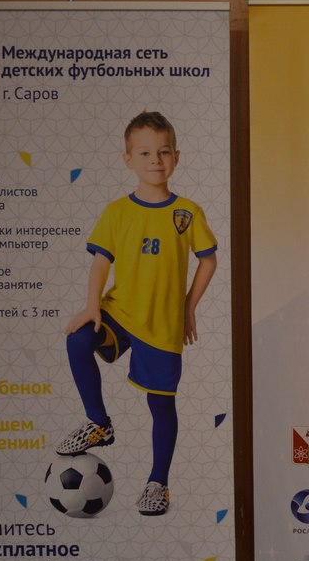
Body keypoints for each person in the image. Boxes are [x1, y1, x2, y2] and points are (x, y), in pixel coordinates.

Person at [57, 111, 218, 516]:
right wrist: (92, 304)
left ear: (176, 157)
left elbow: (209, 260)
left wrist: (188, 308)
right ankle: (99, 423)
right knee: (78, 339)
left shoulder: (188, 213)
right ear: (128, 159)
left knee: (161, 405)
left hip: (162, 324)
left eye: (164, 152)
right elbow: (100, 263)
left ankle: (157, 483)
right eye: (145, 153)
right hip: (121, 312)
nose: (155, 160)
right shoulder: (117, 212)